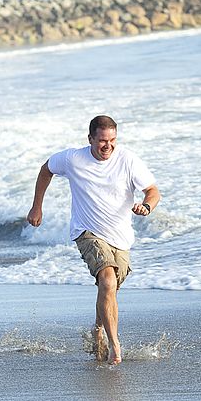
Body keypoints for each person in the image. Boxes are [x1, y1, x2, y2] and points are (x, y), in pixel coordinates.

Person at [28, 115, 160, 365]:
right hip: (87, 231)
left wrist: (147, 206)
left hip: (120, 238)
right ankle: (115, 345)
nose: (107, 146)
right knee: (108, 281)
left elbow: (153, 191)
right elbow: (46, 170)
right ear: (90, 139)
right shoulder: (72, 158)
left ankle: (98, 329)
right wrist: (37, 207)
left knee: (109, 289)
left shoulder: (128, 160)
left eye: (112, 140)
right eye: (101, 140)